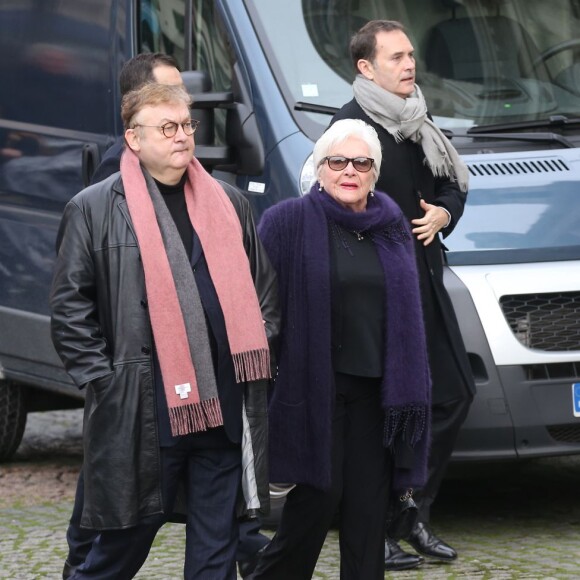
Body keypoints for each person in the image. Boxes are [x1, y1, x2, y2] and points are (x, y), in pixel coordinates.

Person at [50, 82, 279, 579]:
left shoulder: (228, 202)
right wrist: (105, 382)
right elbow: (69, 311)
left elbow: (264, 293)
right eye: (168, 128)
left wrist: (256, 343)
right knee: (123, 547)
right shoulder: (93, 208)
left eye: (187, 126)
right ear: (134, 139)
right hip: (144, 408)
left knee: (216, 549)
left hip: (222, 401)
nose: (182, 137)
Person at [247, 118, 431, 580]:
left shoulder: (391, 226)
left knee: (368, 511)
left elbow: (407, 317)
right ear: (321, 167)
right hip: (315, 389)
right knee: (317, 500)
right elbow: (261, 307)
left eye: (361, 162)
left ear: (374, 171)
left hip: (376, 394)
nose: (349, 170)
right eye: (338, 161)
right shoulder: (286, 222)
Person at [331, 19, 476, 570]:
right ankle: (375, 527)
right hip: (378, 297)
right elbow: (335, 208)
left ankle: (409, 511)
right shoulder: (350, 130)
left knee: (453, 396)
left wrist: (444, 213)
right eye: (396, 57)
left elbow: (450, 184)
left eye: (411, 54)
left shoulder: (418, 116)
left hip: (426, 282)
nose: (409, 64)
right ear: (366, 67)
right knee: (388, 410)